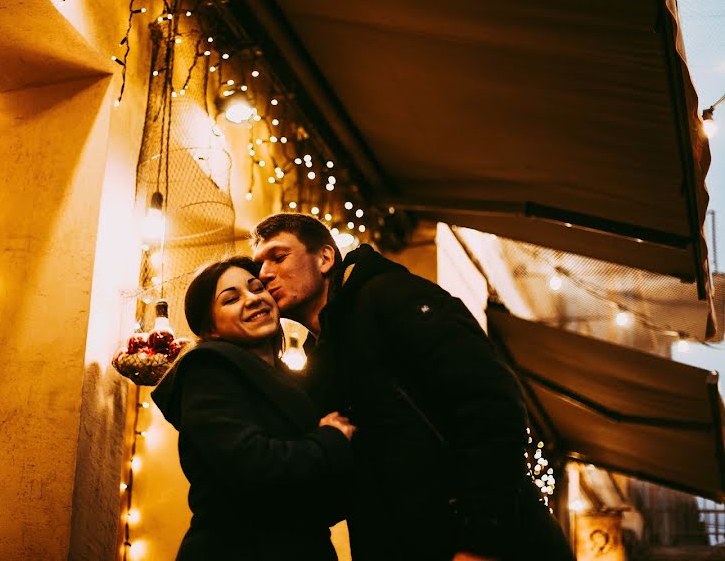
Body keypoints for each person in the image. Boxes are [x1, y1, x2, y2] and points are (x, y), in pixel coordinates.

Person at [251, 213, 575, 561]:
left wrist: (480, 538)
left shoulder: (388, 297)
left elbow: (489, 403)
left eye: (279, 256)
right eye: (259, 264)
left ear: (326, 258)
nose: (265, 273)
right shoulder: (321, 361)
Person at [151, 256, 357, 561]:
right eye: (231, 299)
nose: (253, 299)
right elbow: (252, 464)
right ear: (211, 330)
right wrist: (332, 440)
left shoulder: (291, 382)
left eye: (257, 288)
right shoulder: (209, 368)